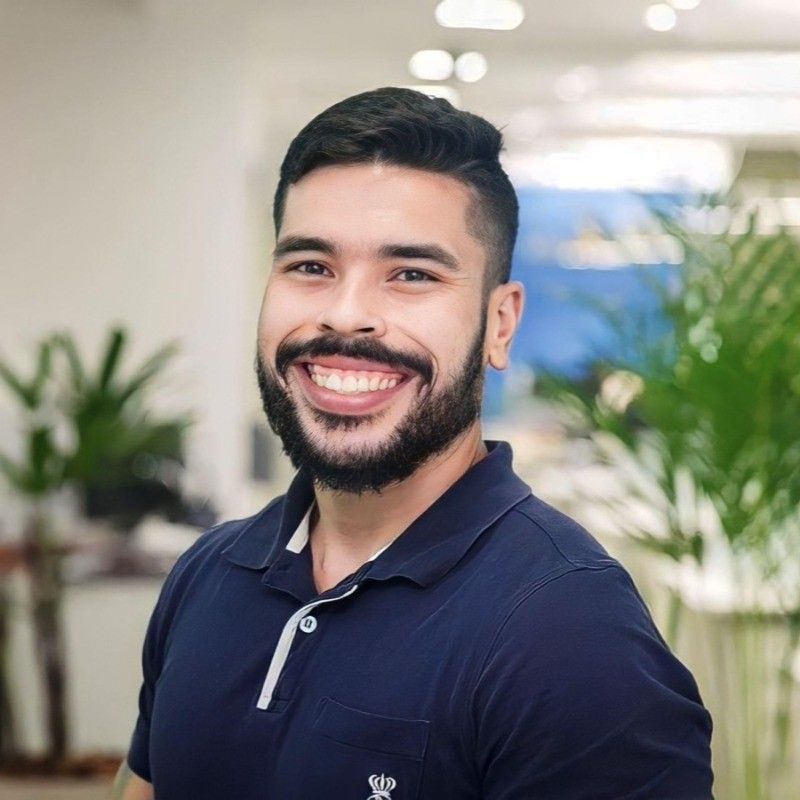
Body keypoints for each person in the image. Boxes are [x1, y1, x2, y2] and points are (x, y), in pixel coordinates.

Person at [112, 87, 714, 800]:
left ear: (500, 323)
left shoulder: (572, 635)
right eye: (311, 266)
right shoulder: (207, 573)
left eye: (412, 275)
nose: (346, 313)